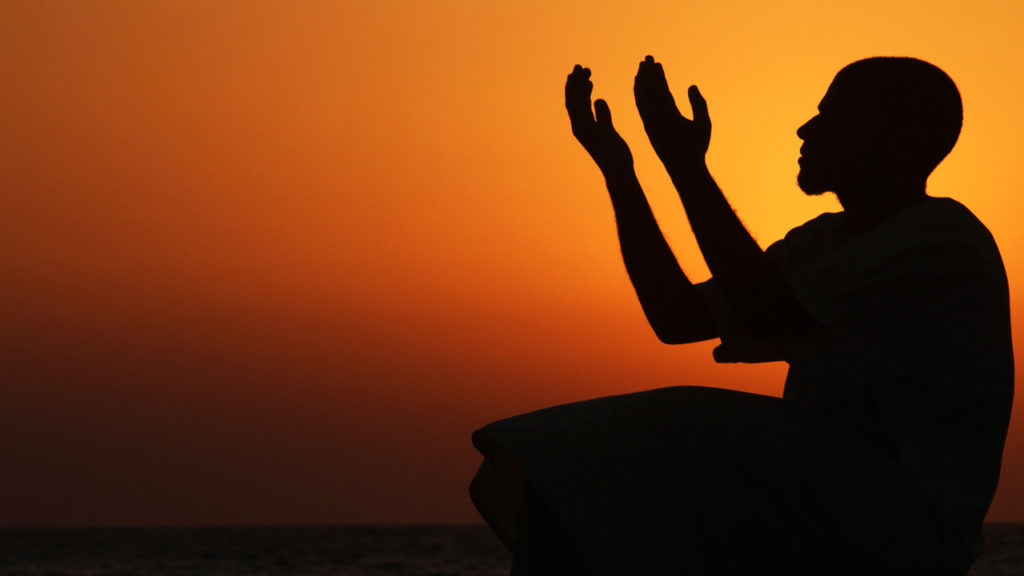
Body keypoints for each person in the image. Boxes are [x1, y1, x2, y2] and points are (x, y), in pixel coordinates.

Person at [469, 56, 1013, 576]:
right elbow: (678, 318)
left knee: (662, 432)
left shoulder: (940, 239)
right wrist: (620, 171)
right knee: (602, 476)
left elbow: (768, 310)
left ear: (904, 142)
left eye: (835, 117)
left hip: (899, 521)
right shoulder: (824, 240)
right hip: (829, 500)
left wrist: (686, 167)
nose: (806, 130)